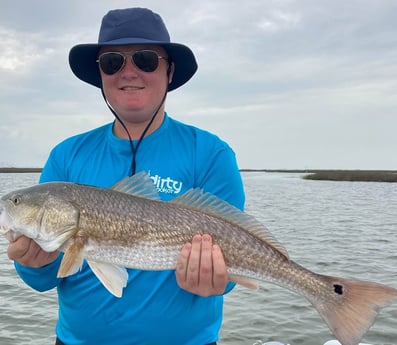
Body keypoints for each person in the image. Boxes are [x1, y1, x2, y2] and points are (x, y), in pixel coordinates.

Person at [7, 7, 245, 345]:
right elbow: (43, 280)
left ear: (169, 70)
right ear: (101, 75)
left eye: (146, 59)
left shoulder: (210, 153)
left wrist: (216, 278)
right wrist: (34, 263)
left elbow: (233, 265)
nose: (128, 72)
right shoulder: (66, 156)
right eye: (112, 62)